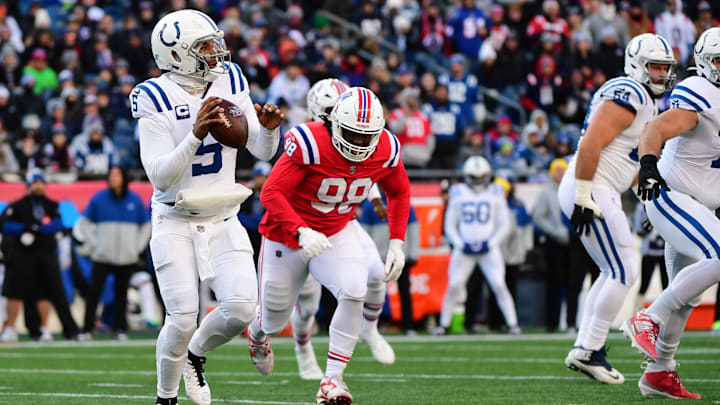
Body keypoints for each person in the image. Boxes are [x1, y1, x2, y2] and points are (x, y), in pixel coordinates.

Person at [131, 10, 283, 405]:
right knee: (181, 319)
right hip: (175, 217)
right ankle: (166, 397)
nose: (215, 52)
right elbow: (160, 176)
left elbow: (262, 152)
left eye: (214, 43)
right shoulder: (153, 96)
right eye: (204, 46)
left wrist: (269, 130)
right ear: (176, 55)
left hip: (223, 213)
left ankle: (195, 357)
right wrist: (195, 135)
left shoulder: (230, 79)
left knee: (242, 310)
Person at [246, 87, 410, 404]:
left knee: (354, 290)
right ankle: (257, 333)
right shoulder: (309, 142)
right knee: (274, 319)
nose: (360, 143)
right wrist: (301, 230)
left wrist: (397, 242)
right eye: (353, 134)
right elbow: (270, 194)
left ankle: (332, 380)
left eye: (368, 136)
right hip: (286, 235)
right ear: (334, 123)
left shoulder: (386, 147)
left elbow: (399, 192)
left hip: (336, 229)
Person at [559, 33, 676, 384]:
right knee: (624, 269)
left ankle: (586, 346)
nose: (661, 74)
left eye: (665, 68)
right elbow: (593, 140)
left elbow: (625, 155)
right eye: (654, 67)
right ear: (636, 65)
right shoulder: (630, 91)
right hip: (593, 184)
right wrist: (583, 192)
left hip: (598, 185)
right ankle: (588, 349)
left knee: (615, 269)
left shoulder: (644, 100)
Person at [621, 27, 720, 400]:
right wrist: (647, 167)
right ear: (704, 62)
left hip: (697, 205)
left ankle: (660, 372)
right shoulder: (702, 93)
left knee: (686, 295)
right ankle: (647, 317)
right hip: (672, 196)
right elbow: (655, 129)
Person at [287, 79, 400, 382]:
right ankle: (302, 347)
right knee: (306, 305)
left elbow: (362, 164)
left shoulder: (356, 139)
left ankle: (370, 330)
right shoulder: (305, 139)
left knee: (377, 273)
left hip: (341, 222)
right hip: (302, 229)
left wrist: (375, 197)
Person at [436, 156, 519, 335]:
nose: (479, 181)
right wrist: (460, 244)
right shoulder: (458, 193)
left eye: (482, 177)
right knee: (455, 285)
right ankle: (443, 324)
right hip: (464, 249)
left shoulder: (496, 192)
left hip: (488, 249)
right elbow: (450, 225)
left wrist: (490, 243)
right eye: (475, 177)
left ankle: (513, 323)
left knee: (498, 284)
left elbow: (505, 224)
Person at [73, 166, 151, 340]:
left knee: (122, 293)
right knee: (94, 292)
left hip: (126, 256)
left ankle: (120, 328)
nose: (114, 178)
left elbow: (146, 226)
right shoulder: (99, 199)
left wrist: (137, 247)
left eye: (117, 174)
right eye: (111, 175)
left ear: (124, 177)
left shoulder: (134, 200)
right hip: (102, 256)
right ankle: (87, 329)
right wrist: (95, 245)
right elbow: (84, 223)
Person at [0, 171, 79, 342]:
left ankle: (46, 327)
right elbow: (6, 226)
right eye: (35, 183)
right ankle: (12, 327)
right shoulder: (18, 205)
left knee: (46, 292)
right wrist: (27, 227)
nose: (38, 186)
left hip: (46, 254)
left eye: (41, 182)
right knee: (15, 291)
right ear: (28, 185)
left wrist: (36, 229)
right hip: (22, 255)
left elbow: (57, 225)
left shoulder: (51, 205)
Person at [532, 158, 571, 332]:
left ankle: (570, 322)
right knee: (553, 283)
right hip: (553, 243)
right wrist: (556, 232)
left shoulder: (571, 189)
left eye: (563, 169)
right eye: (557, 170)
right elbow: (538, 217)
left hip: (571, 242)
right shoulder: (546, 192)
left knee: (572, 283)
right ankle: (552, 322)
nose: (560, 173)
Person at [631, 203, 667, 312]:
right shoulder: (642, 206)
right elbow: (638, 231)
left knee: (667, 286)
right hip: (649, 252)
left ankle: (667, 315)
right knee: (644, 285)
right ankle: (636, 314)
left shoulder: (668, 203)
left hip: (665, 253)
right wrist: (646, 227)